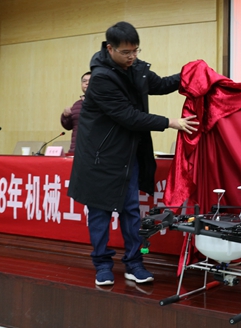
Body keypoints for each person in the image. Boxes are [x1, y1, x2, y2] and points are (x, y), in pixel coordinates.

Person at [67, 21, 198, 286]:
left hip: (128, 156)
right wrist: (170, 122)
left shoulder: (137, 69)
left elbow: (162, 84)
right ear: (110, 48)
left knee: (131, 211)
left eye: (135, 50)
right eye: (126, 52)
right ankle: (102, 265)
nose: (132, 57)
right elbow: (127, 116)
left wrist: (191, 72)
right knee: (100, 214)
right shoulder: (101, 78)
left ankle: (135, 263)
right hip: (100, 158)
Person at [60, 71, 91, 154]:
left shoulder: (103, 103)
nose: (87, 83)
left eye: (91, 81)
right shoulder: (77, 104)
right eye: (84, 81)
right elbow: (68, 126)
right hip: (76, 149)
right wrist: (65, 116)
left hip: (95, 151)